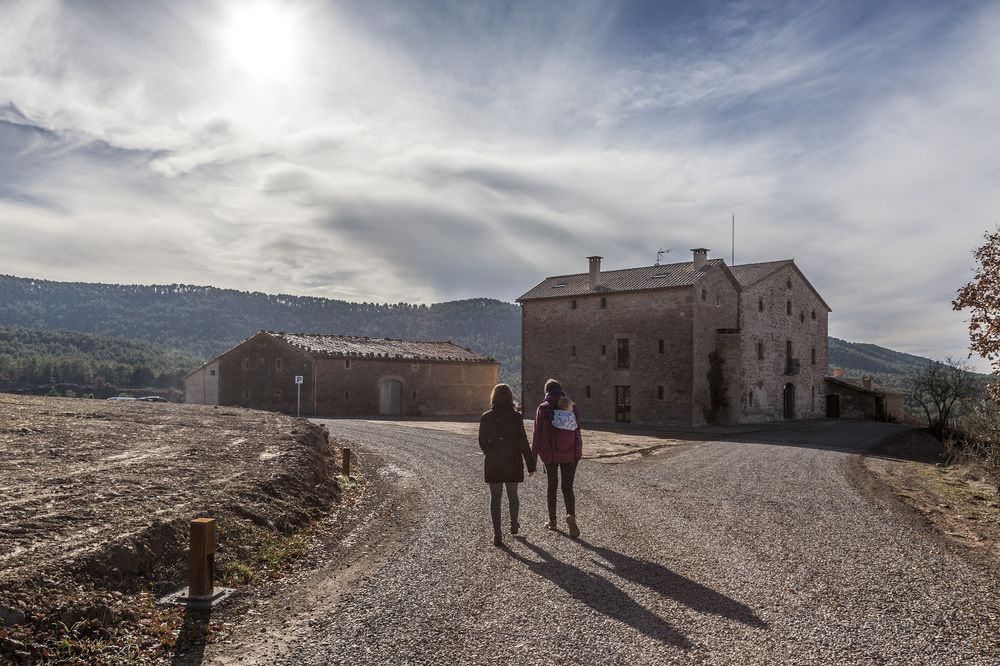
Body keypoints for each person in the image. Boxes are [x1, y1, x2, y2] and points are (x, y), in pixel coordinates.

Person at [478, 383, 536, 547]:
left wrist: (490, 453)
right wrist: (530, 464)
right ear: (510, 397)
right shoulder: (516, 417)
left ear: (493, 397)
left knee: (495, 498)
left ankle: (497, 534)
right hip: (513, 460)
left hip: (493, 461)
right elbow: (523, 442)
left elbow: (482, 441)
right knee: (513, 494)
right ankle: (514, 524)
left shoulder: (486, 417)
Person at [531, 378, 583, 538]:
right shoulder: (572, 407)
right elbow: (578, 429)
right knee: (568, 488)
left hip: (550, 455)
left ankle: (552, 522)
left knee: (552, 487)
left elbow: (536, 435)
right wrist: (578, 452)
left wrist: (532, 462)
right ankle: (570, 515)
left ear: (546, 392)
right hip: (570, 453)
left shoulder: (543, 408)